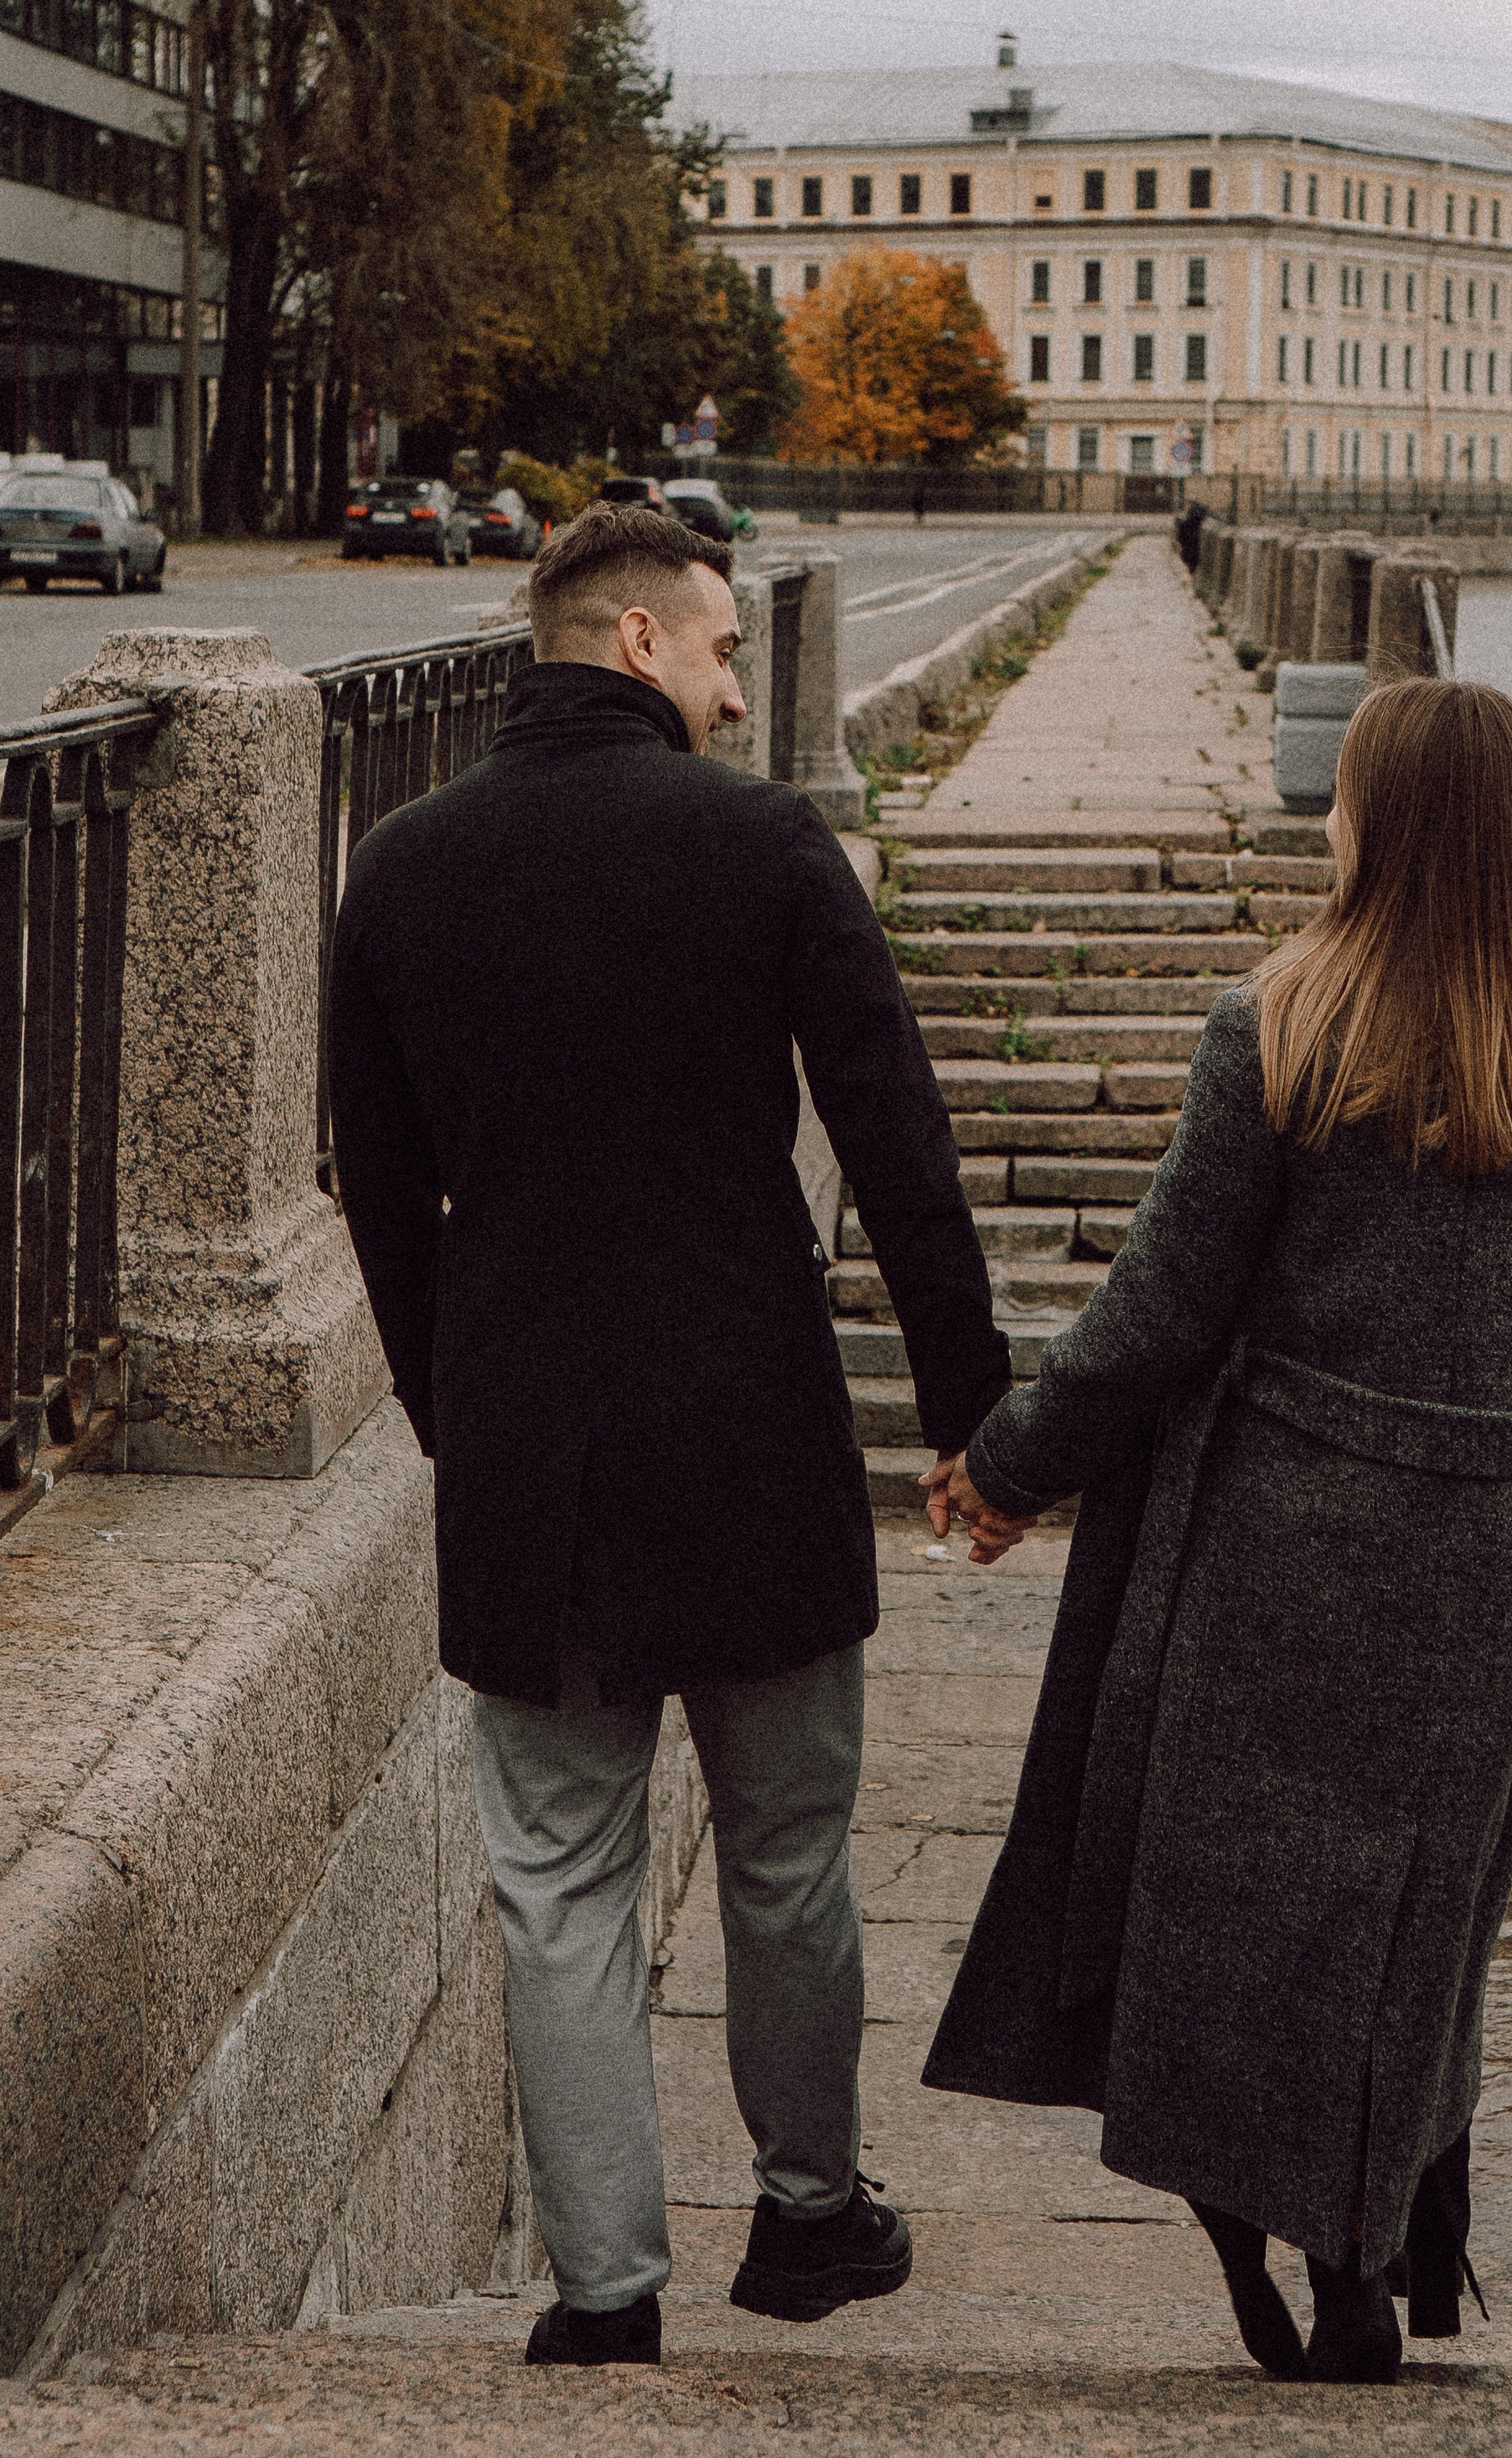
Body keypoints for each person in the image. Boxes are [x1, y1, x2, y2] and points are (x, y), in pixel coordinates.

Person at [920, 677, 1512, 2387]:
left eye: (1344, 795)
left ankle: (1248, 2204)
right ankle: (1364, 2242)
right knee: (1417, 1914)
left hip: (1282, 1535)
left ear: (1380, 825)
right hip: (1488, 1557)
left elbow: (1157, 1314)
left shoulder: (1278, 1027)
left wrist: (1008, 1466)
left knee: (1231, 1895)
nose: (1328, 818)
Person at [326, 504, 1010, 2370]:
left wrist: (459, 1416)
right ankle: (807, 2218)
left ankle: (604, 2295)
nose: (734, 691)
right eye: (718, 654)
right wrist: (974, 1418)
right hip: (751, 1431)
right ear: (636, 641)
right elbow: (897, 1141)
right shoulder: (764, 842)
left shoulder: (399, 869)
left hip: (528, 1448)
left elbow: (380, 1198)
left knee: (557, 1876)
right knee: (787, 1851)